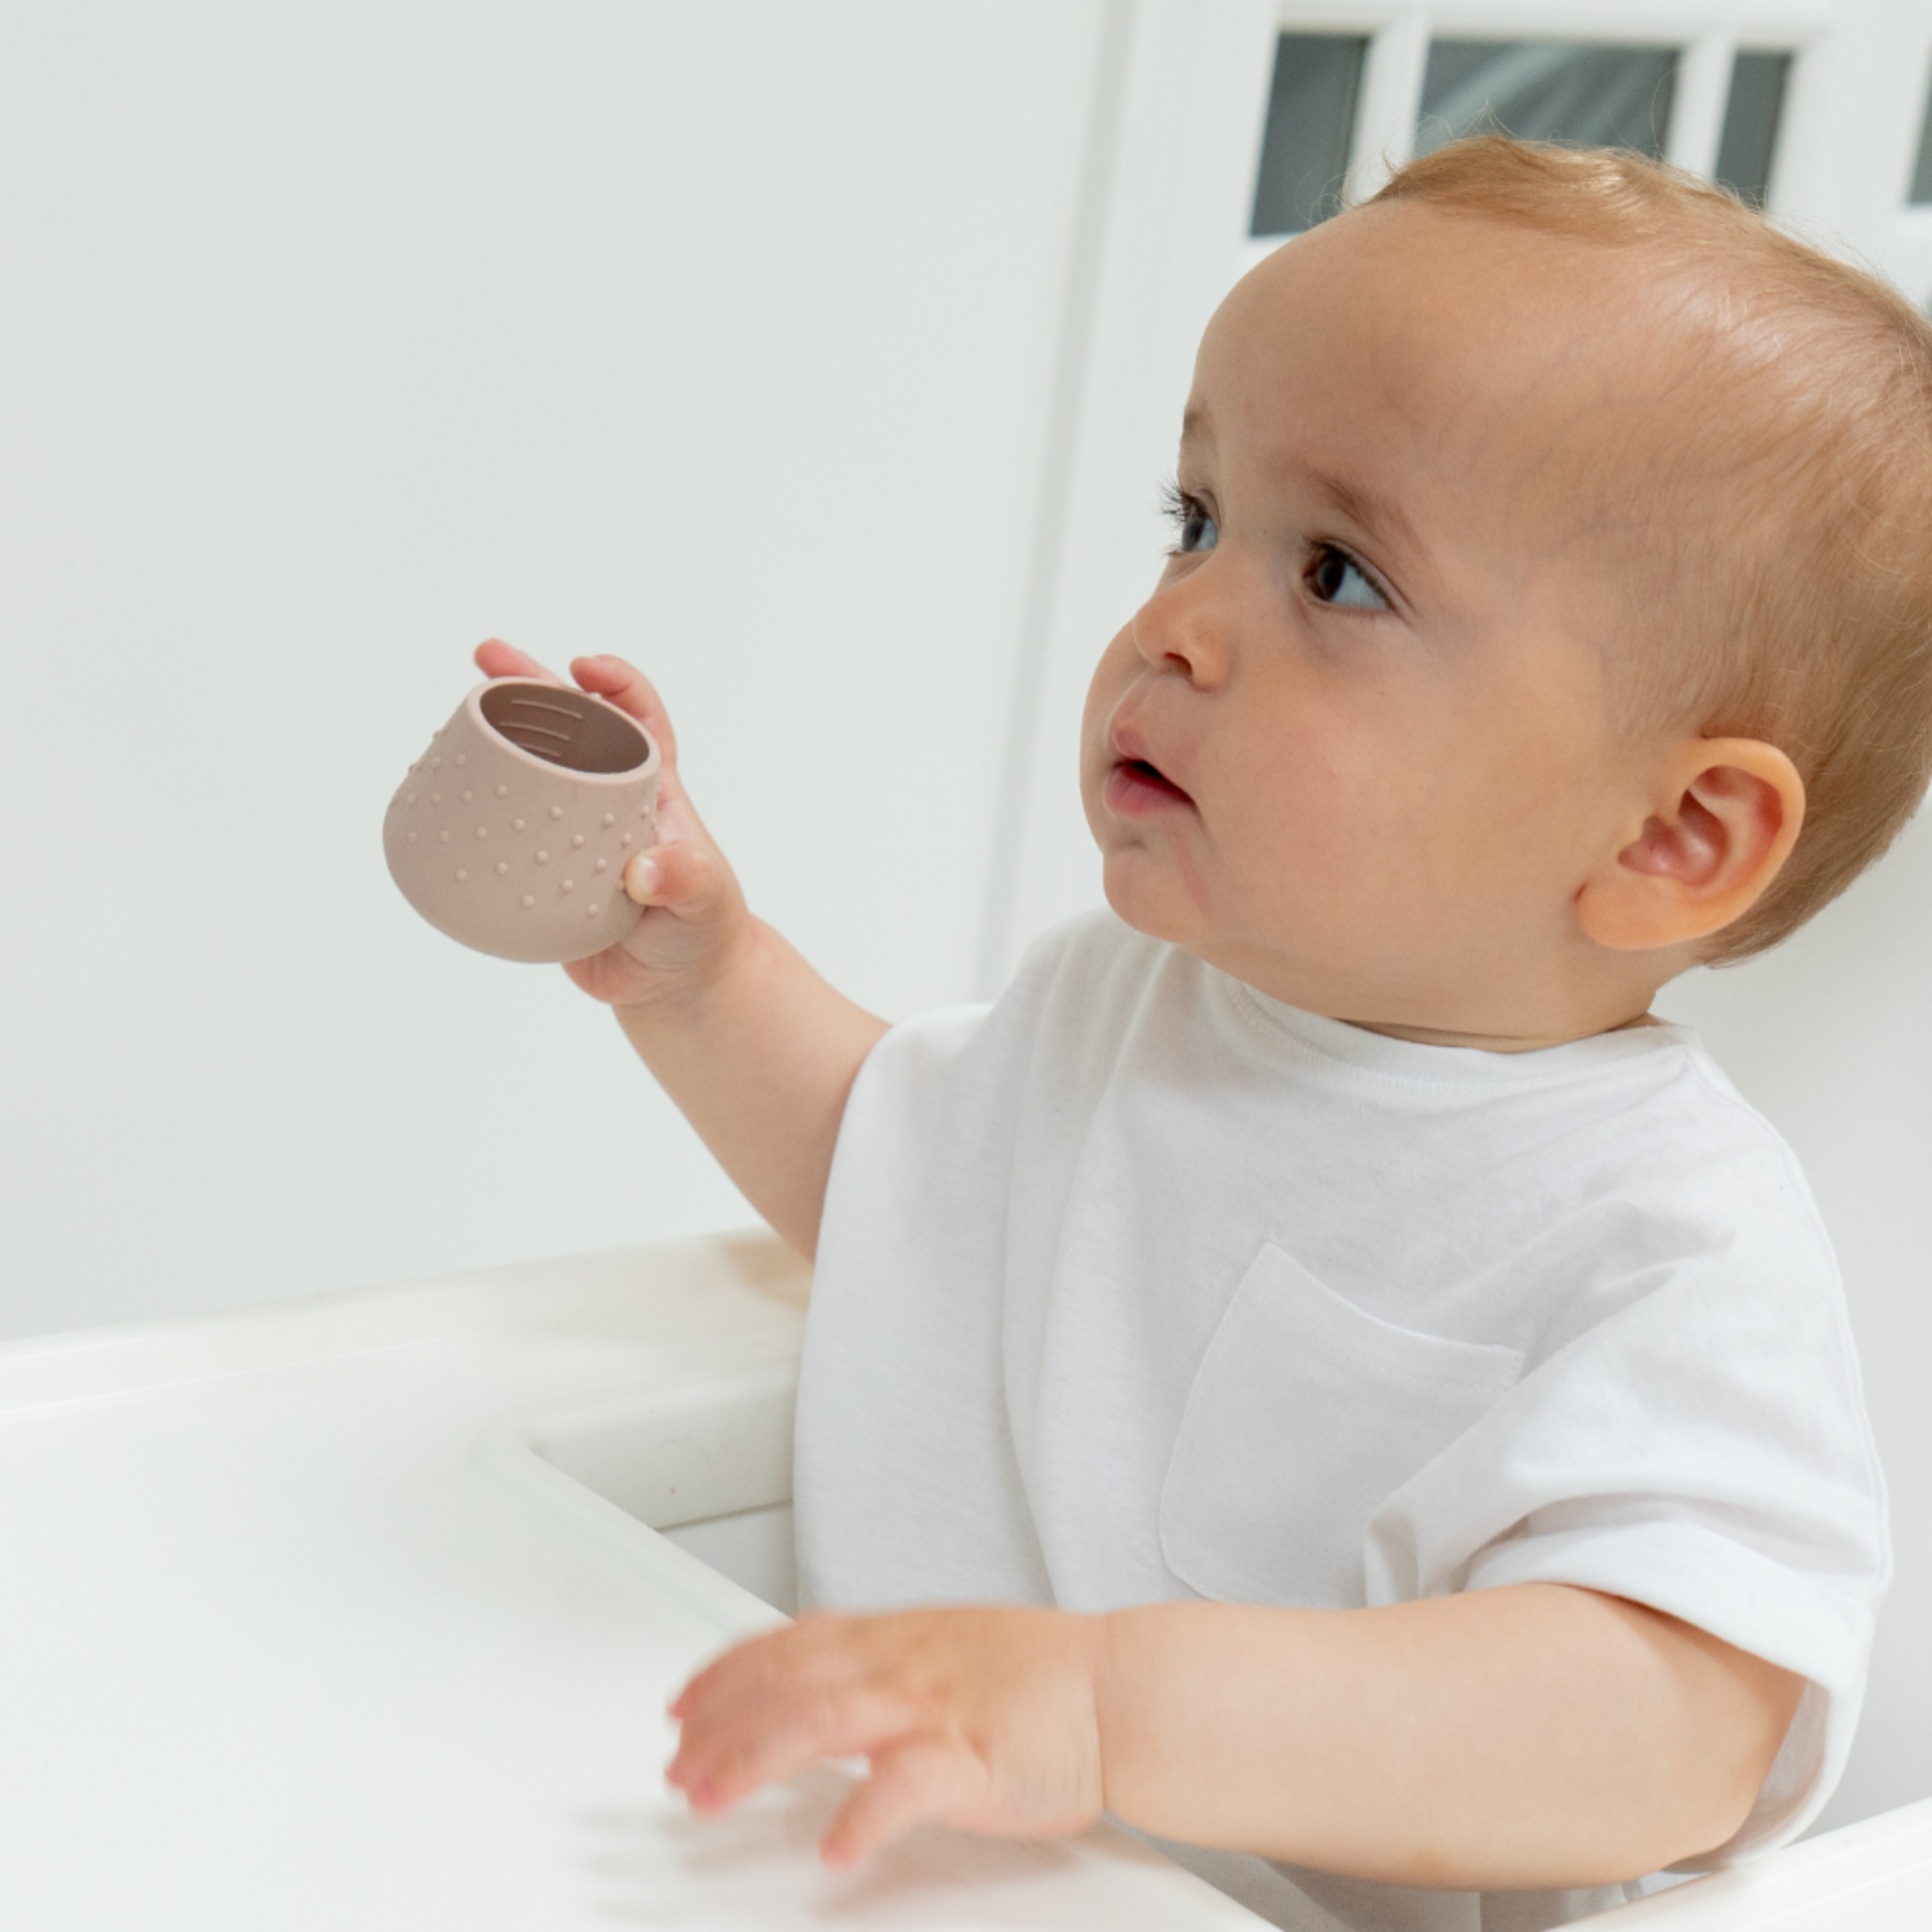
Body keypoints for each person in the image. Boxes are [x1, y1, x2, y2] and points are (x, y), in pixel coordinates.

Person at [474, 138, 1930, 1931]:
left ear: (1668, 837)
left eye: (1338, 576)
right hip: (883, 1861)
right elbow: (903, 1197)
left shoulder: (1662, 1236)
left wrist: (1108, 1707)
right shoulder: (1127, 1001)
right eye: (1193, 520)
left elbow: (1678, 1720)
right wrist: (703, 972)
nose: (1174, 624)